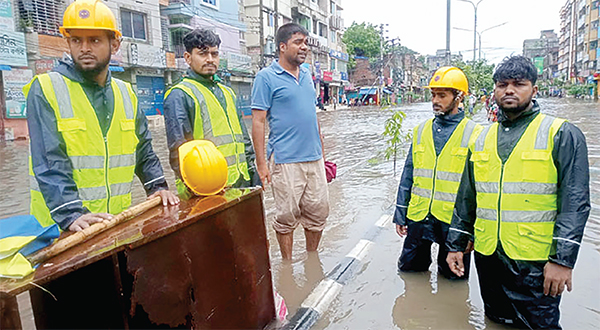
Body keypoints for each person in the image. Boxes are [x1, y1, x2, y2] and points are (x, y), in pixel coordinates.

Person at [446, 56, 590, 329]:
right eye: (502, 84)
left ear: (534, 90)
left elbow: (575, 203)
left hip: (535, 263)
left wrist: (562, 261)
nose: (509, 90)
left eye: (518, 84)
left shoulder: (561, 134)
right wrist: (456, 245)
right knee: (495, 321)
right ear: (494, 91)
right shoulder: (481, 138)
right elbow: (467, 198)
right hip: (488, 257)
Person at [25, 0, 179, 232]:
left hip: (114, 224)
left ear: (114, 44)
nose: (84, 48)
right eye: (76, 40)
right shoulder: (46, 88)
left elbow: (143, 151)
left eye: (94, 40)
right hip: (63, 230)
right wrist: (70, 213)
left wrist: (157, 186)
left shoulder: (126, 92)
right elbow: (49, 160)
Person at [393, 66, 482, 280]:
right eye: (433, 95)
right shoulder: (421, 130)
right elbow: (408, 174)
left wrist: (471, 230)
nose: (435, 100)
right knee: (409, 271)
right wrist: (401, 212)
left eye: (442, 95)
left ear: (459, 97)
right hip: (419, 215)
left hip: (453, 221)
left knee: (453, 278)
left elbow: (479, 188)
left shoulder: (475, 134)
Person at [251, 23, 329, 260]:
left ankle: (311, 260)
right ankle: (286, 266)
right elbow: (258, 122)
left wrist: (323, 155)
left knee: (318, 214)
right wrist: (262, 164)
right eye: (298, 42)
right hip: (285, 161)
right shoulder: (266, 78)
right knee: (286, 218)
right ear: (282, 46)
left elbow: (312, 115)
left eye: (305, 42)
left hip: (314, 159)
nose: (304, 47)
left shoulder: (306, 75)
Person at [163, 29, 258, 196]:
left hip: (240, 181)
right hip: (205, 189)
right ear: (188, 58)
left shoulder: (228, 92)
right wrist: (197, 188)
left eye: (215, 54)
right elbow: (179, 150)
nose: (210, 59)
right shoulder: (180, 94)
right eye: (203, 53)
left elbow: (243, 138)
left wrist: (252, 170)